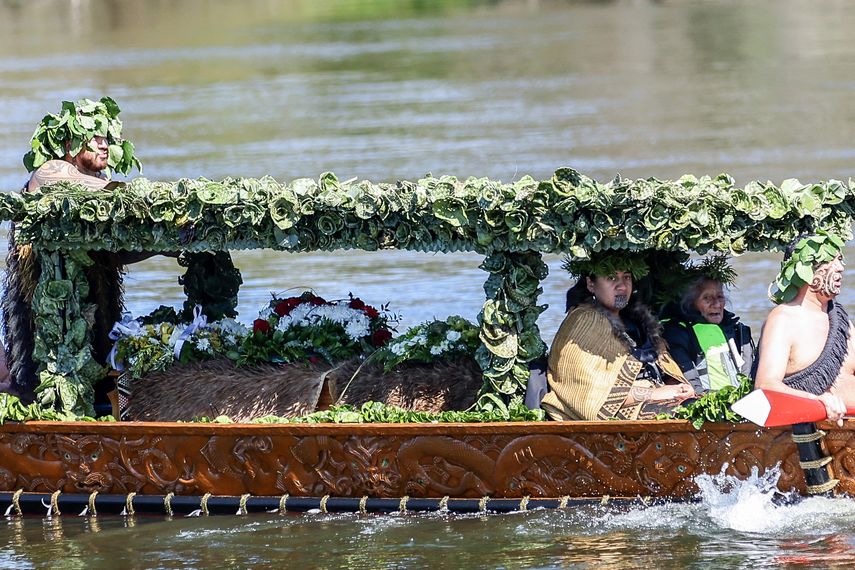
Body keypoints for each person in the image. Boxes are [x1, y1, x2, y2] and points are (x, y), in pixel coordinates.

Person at [2, 97, 142, 401]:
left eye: (108, 138)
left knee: (103, 376)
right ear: (70, 144)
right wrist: (130, 192)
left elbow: (110, 254)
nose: (105, 145)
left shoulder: (97, 181)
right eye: (96, 138)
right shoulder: (50, 171)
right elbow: (85, 185)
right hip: (49, 312)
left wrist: (165, 250)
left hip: (92, 306)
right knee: (40, 383)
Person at [541, 253, 695, 421]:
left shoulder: (640, 323)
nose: (621, 286)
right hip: (616, 416)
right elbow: (588, 395)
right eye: (611, 277)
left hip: (660, 400)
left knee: (710, 408)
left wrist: (678, 389)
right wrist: (654, 394)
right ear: (591, 284)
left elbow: (666, 372)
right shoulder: (584, 320)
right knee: (685, 415)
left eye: (626, 277)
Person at [754, 232, 855, 426]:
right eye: (830, 261)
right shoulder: (783, 319)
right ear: (807, 270)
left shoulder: (840, 319)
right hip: (811, 434)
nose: (841, 268)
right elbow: (765, 386)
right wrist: (817, 400)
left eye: (840, 260)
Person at [661, 272, 755, 394]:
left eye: (720, 297)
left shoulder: (736, 331)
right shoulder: (679, 334)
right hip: (707, 404)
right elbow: (693, 387)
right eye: (707, 298)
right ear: (691, 303)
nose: (716, 304)